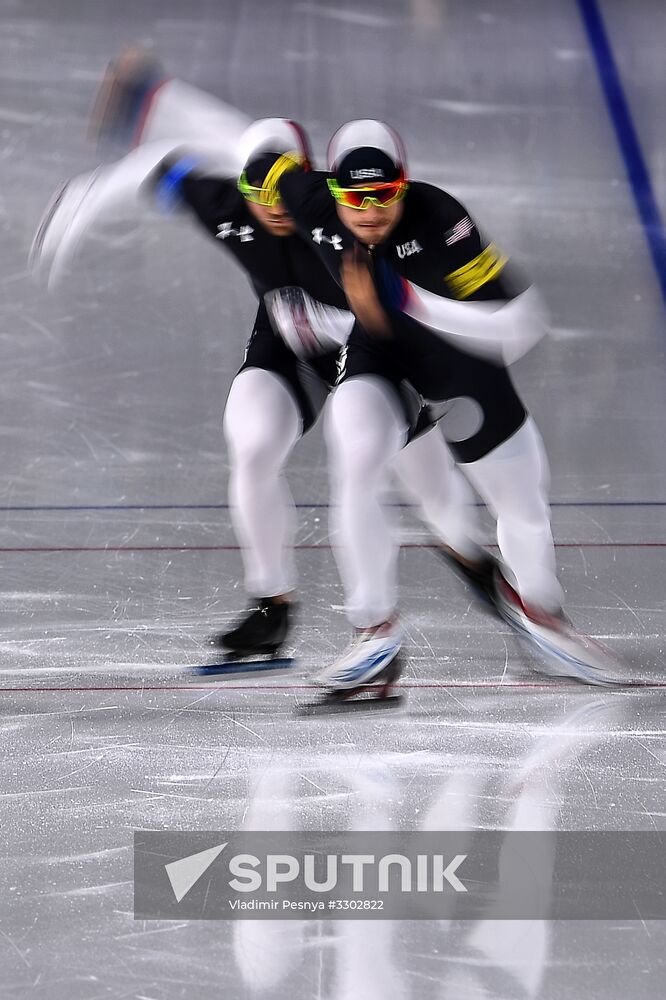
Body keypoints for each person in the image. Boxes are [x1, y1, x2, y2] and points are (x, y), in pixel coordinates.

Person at [31, 66, 488, 671]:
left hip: (375, 355)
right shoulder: (228, 202)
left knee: (435, 501)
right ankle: (271, 603)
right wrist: (83, 199)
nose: (271, 209)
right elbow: (159, 164)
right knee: (249, 441)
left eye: (283, 191)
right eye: (256, 194)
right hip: (290, 340)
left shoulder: (343, 210)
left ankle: (483, 569)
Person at [273, 119, 624, 690]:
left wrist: (405, 297)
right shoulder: (310, 201)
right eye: (352, 198)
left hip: (459, 362)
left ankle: (543, 615)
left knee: (523, 507)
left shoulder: (443, 221)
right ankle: (374, 632)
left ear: (404, 187)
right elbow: (254, 152)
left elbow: (522, 323)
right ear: (329, 192)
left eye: (383, 196)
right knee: (354, 458)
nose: (367, 212)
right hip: (379, 357)